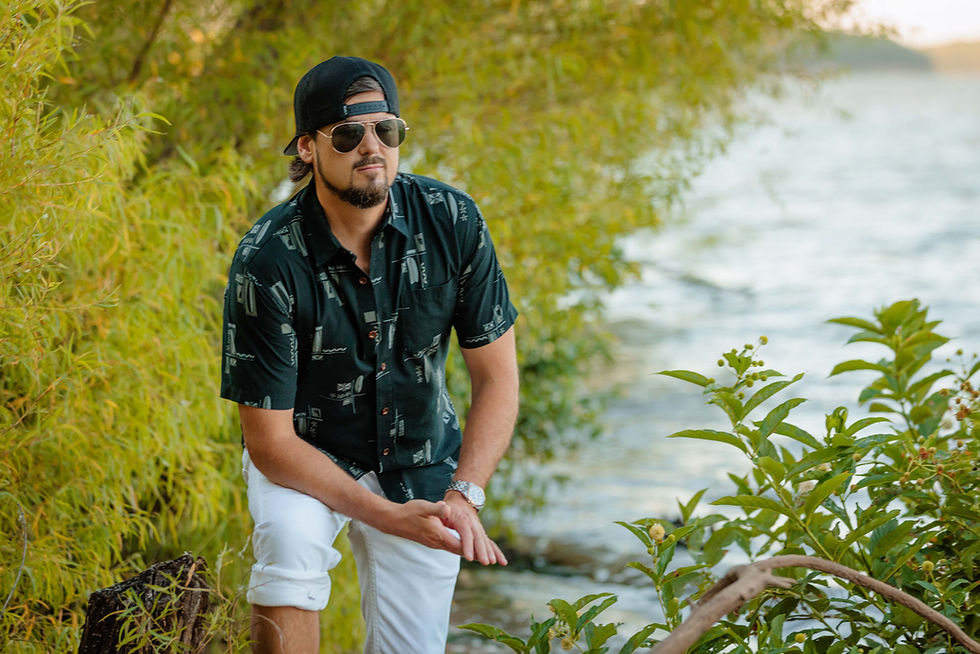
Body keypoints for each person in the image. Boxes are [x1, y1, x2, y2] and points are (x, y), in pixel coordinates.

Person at [219, 55, 519, 654]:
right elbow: (269, 442)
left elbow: (497, 379)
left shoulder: (453, 221)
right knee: (288, 545)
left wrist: (464, 495)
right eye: (349, 134)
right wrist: (382, 515)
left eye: (387, 130)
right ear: (307, 148)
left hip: (420, 458)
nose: (372, 147)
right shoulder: (267, 260)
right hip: (306, 456)